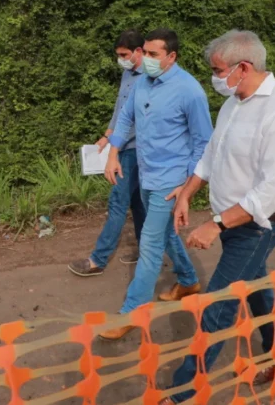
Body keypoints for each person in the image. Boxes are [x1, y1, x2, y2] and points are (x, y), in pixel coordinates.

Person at [159, 30, 275, 404]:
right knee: (257, 287)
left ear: (243, 68)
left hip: (259, 225)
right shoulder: (234, 102)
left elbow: (272, 191)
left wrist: (216, 224)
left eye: (218, 70)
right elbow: (212, 155)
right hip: (230, 220)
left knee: (218, 305)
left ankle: (182, 393)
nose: (214, 79)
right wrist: (187, 192)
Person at [99, 28, 213, 340]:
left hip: (171, 181)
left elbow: (205, 143)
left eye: (153, 55)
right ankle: (188, 281)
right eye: (145, 52)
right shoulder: (141, 84)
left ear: (171, 56)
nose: (146, 59)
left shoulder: (190, 91)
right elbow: (124, 120)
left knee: (149, 245)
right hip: (147, 173)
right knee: (164, 234)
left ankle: (132, 313)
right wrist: (113, 154)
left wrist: (188, 188)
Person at [68, 30, 147, 276]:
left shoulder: (149, 78)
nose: (121, 59)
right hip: (121, 145)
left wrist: (116, 145)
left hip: (134, 149)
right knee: (136, 204)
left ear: (139, 51)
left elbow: (138, 120)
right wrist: (107, 135)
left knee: (117, 202)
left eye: (124, 54)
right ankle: (147, 253)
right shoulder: (127, 73)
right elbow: (120, 109)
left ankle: (98, 260)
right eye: (118, 55)